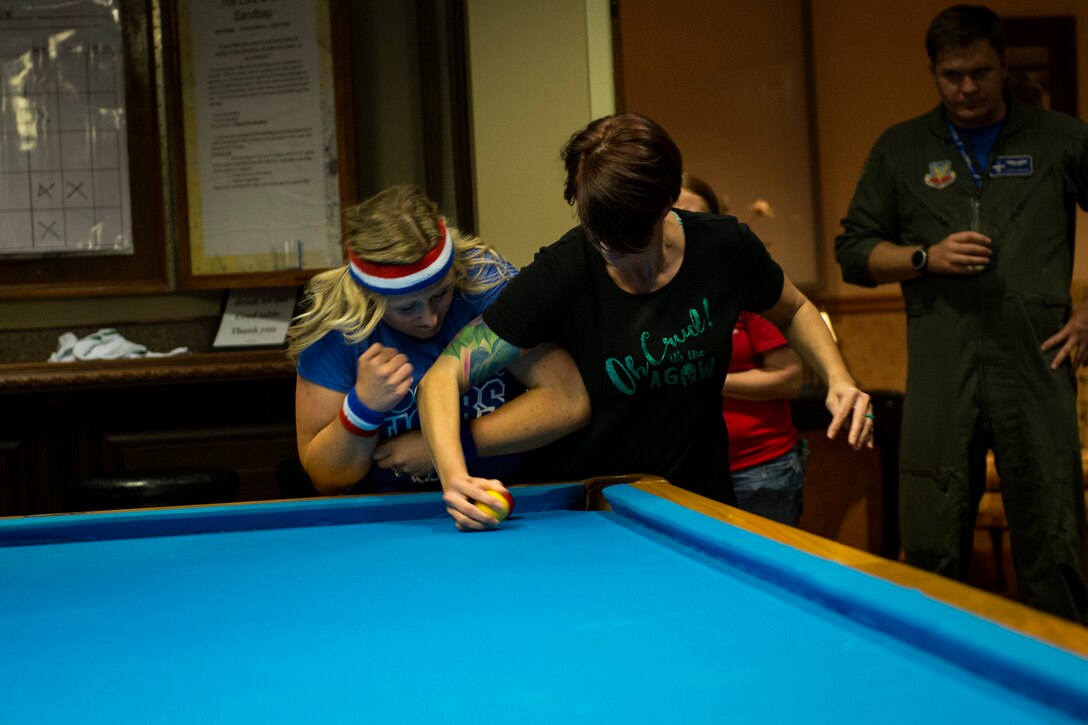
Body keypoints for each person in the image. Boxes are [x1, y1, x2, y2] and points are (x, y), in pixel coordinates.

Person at [419, 112, 873, 531]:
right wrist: (455, 476)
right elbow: (441, 377)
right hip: (590, 514)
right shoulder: (562, 272)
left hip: (698, 503)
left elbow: (793, 308)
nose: (607, 247)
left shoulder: (724, 247)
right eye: (596, 228)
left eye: (625, 234)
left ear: (668, 200)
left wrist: (838, 377)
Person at [834, 5, 1088, 622]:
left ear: (1004, 66)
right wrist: (926, 256)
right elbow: (853, 253)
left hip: (1036, 363)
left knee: (1056, 546)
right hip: (942, 371)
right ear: (934, 73)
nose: (967, 88)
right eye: (951, 75)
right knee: (929, 544)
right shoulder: (900, 149)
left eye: (979, 72)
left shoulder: (1060, 138)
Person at [288, 185, 589, 495]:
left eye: (440, 294)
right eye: (407, 308)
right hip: (385, 516)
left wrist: (446, 446)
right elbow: (326, 479)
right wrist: (362, 408)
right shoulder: (339, 325)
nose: (430, 318)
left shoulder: (484, 286)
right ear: (370, 297)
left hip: (506, 498)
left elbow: (566, 401)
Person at [676, 173, 807, 525]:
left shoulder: (741, 281)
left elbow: (791, 379)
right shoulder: (653, 288)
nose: (686, 229)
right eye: (674, 217)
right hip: (683, 474)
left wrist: (709, 381)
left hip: (759, 469)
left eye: (697, 218)